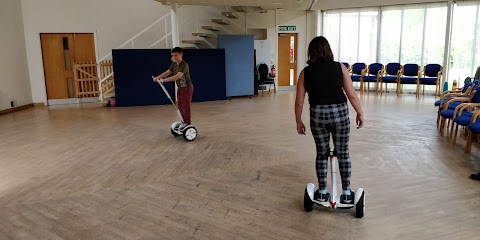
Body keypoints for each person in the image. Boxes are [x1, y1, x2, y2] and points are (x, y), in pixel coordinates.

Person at [295, 36, 364, 204]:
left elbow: (299, 101)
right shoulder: (339, 68)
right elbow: (351, 94)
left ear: (311, 53)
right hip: (340, 114)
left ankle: (322, 191)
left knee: (322, 152)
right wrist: (360, 112)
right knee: (343, 152)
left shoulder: (305, 72)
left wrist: (298, 121)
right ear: (328, 50)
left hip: (317, 115)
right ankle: (347, 192)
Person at [154, 47, 194, 130]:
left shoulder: (184, 64)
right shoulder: (174, 64)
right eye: (173, 55)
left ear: (181, 55)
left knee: (185, 106)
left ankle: (187, 123)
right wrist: (157, 77)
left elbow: (178, 76)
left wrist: (164, 80)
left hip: (186, 88)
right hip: (180, 88)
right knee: (179, 106)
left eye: (176, 55)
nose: (174, 57)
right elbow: (168, 72)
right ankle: (183, 122)